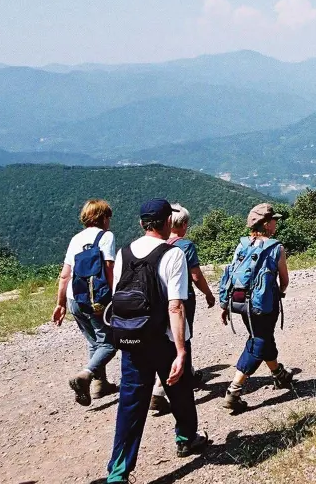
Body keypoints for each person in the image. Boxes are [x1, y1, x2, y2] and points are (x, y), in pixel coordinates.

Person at [106, 199, 209, 483]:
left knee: (131, 403)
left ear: (141, 223)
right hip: (162, 340)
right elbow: (175, 306)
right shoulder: (173, 254)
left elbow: (118, 298)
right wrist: (180, 350)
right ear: (167, 223)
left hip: (131, 338)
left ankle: (118, 472)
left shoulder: (124, 253)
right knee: (180, 390)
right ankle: (187, 438)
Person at [219, 203, 293, 412]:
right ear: (267, 223)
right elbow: (284, 280)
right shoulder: (276, 247)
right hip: (264, 304)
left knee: (262, 336)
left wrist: (225, 304)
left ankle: (280, 375)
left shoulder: (242, 245)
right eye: (274, 219)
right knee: (258, 340)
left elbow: (231, 275)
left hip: (241, 303)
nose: (276, 223)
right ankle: (234, 390)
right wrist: (279, 292)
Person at [150, 203, 216, 413]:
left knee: (164, 341)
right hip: (181, 299)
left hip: (158, 300)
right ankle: (161, 391)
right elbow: (196, 276)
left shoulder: (156, 243)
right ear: (184, 224)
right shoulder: (185, 246)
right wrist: (208, 294)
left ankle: (168, 384)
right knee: (181, 339)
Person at [53, 199, 118, 406]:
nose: (109, 221)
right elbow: (108, 268)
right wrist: (116, 295)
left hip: (75, 298)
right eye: (108, 216)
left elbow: (65, 275)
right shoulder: (106, 237)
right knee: (109, 343)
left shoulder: (76, 239)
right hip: (96, 300)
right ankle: (86, 375)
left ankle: (101, 384)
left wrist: (61, 303)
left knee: (93, 342)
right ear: (103, 217)